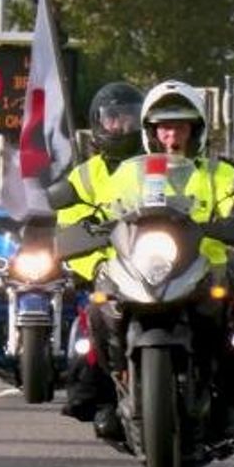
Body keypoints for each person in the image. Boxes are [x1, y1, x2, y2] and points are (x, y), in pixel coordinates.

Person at [89, 80, 234, 441]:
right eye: (163, 127)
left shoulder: (219, 173)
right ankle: (106, 393)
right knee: (98, 311)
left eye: (179, 126)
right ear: (150, 132)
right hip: (143, 267)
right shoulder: (127, 175)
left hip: (205, 269)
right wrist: (88, 226)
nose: (171, 135)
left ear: (196, 130)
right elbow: (103, 209)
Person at [55, 82, 144, 430]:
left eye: (130, 118)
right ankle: (99, 397)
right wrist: (96, 265)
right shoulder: (85, 176)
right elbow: (68, 227)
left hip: (158, 266)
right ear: (98, 123)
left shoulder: (159, 167)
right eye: (113, 119)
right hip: (111, 271)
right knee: (92, 319)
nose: (121, 127)